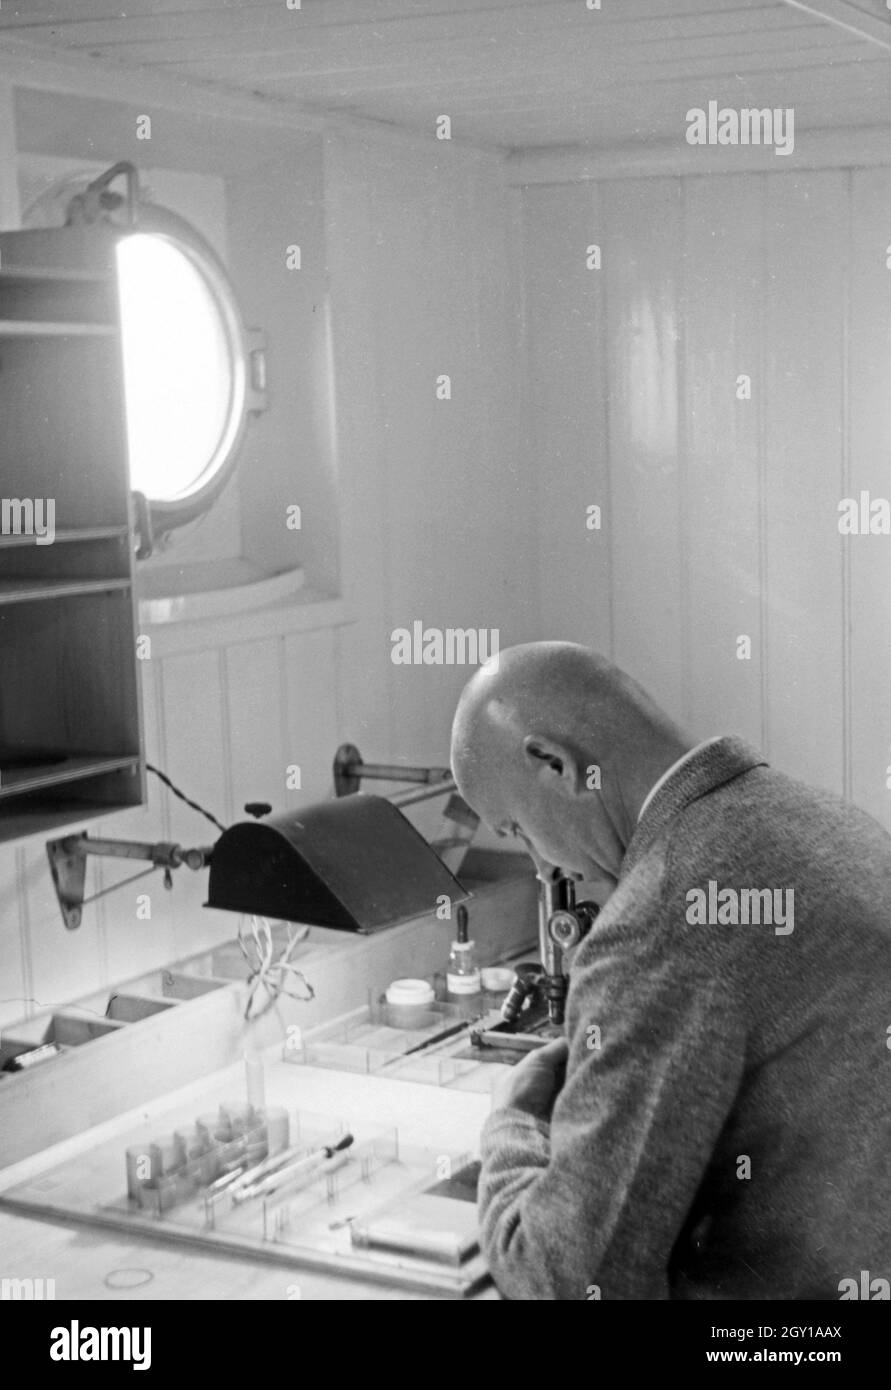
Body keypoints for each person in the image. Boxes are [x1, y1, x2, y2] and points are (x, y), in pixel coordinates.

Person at [449, 641, 891, 1300]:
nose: (543, 867)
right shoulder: (833, 825)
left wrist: (511, 1122)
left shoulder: (659, 918)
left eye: (515, 828)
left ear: (553, 763)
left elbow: (571, 1278)